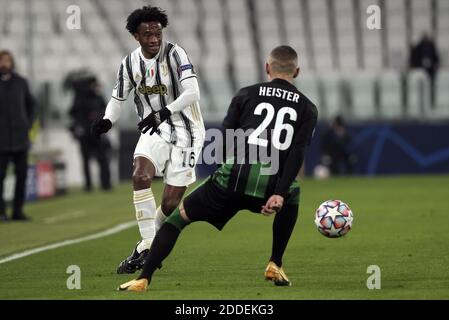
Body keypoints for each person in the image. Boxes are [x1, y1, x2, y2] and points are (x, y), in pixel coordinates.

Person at [118, 45, 318, 292]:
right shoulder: (308, 108)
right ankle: (275, 263)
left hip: (230, 179)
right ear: (296, 72)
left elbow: (226, 137)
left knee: (176, 220)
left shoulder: (246, 94)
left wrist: (223, 170)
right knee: (293, 193)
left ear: (267, 68)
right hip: (270, 185)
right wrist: (279, 192)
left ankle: (143, 278)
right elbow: (297, 153)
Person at [91, 6, 205, 273]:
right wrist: (108, 119)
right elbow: (118, 99)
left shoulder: (175, 54)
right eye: (147, 34)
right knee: (140, 175)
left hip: (187, 132)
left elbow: (193, 93)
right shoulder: (129, 64)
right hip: (154, 130)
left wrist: (163, 112)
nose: (154, 39)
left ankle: (142, 250)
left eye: (157, 33)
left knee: (170, 203)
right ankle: (149, 243)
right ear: (136, 36)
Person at [0, 50, 36, 222]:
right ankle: (1, 212)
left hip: (20, 139)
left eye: (7, 60)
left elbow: (32, 105)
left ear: (12, 62)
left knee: (21, 176)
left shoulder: (21, 82)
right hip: (2, 141)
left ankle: (17, 211)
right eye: (2, 60)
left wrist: (27, 124)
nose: (4, 64)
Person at [67, 73, 112, 192]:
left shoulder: (90, 98)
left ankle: (98, 185)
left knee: (98, 159)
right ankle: (98, 185)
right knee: (94, 160)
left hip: (94, 133)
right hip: (89, 133)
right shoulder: (87, 98)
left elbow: (106, 112)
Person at [409, 32, 440, 106]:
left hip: (430, 70)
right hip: (420, 69)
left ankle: (432, 102)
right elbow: (413, 60)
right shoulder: (417, 47)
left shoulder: (431, 46)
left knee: (431, 84)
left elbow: (436, 58)